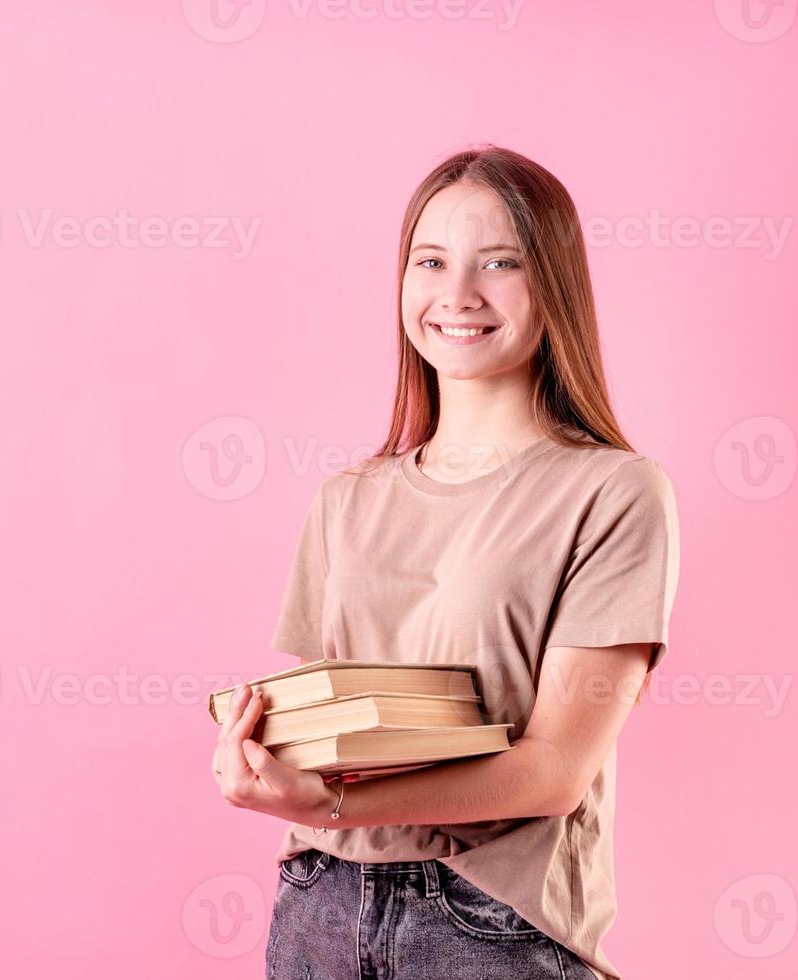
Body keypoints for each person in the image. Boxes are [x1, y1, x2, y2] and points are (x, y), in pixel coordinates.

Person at [211, 145, 681, 980]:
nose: (458, 295)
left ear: (555, 285)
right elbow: (333, 727)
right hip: (321, 899)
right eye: (431, 261)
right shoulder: (348, 497)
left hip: (494, 922)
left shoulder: (613, 491)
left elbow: (554, 772)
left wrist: (337, 801)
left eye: (500, 262)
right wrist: (258, 756)